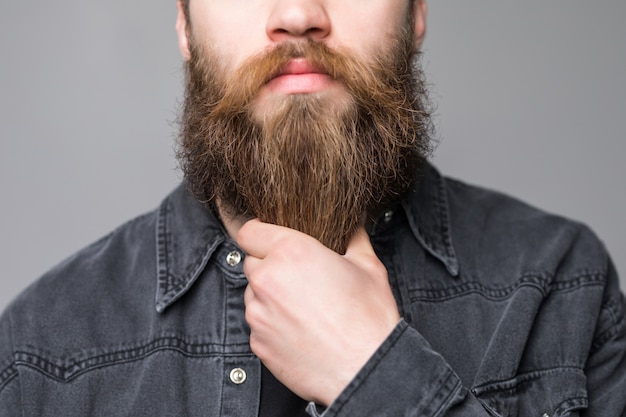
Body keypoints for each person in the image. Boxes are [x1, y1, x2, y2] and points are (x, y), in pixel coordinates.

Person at [1, 0, 624, 415]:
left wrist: (373, 371)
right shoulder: (38, 359)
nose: (298, 15)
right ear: (185, 24)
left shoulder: (563, 286)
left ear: (416, 13)